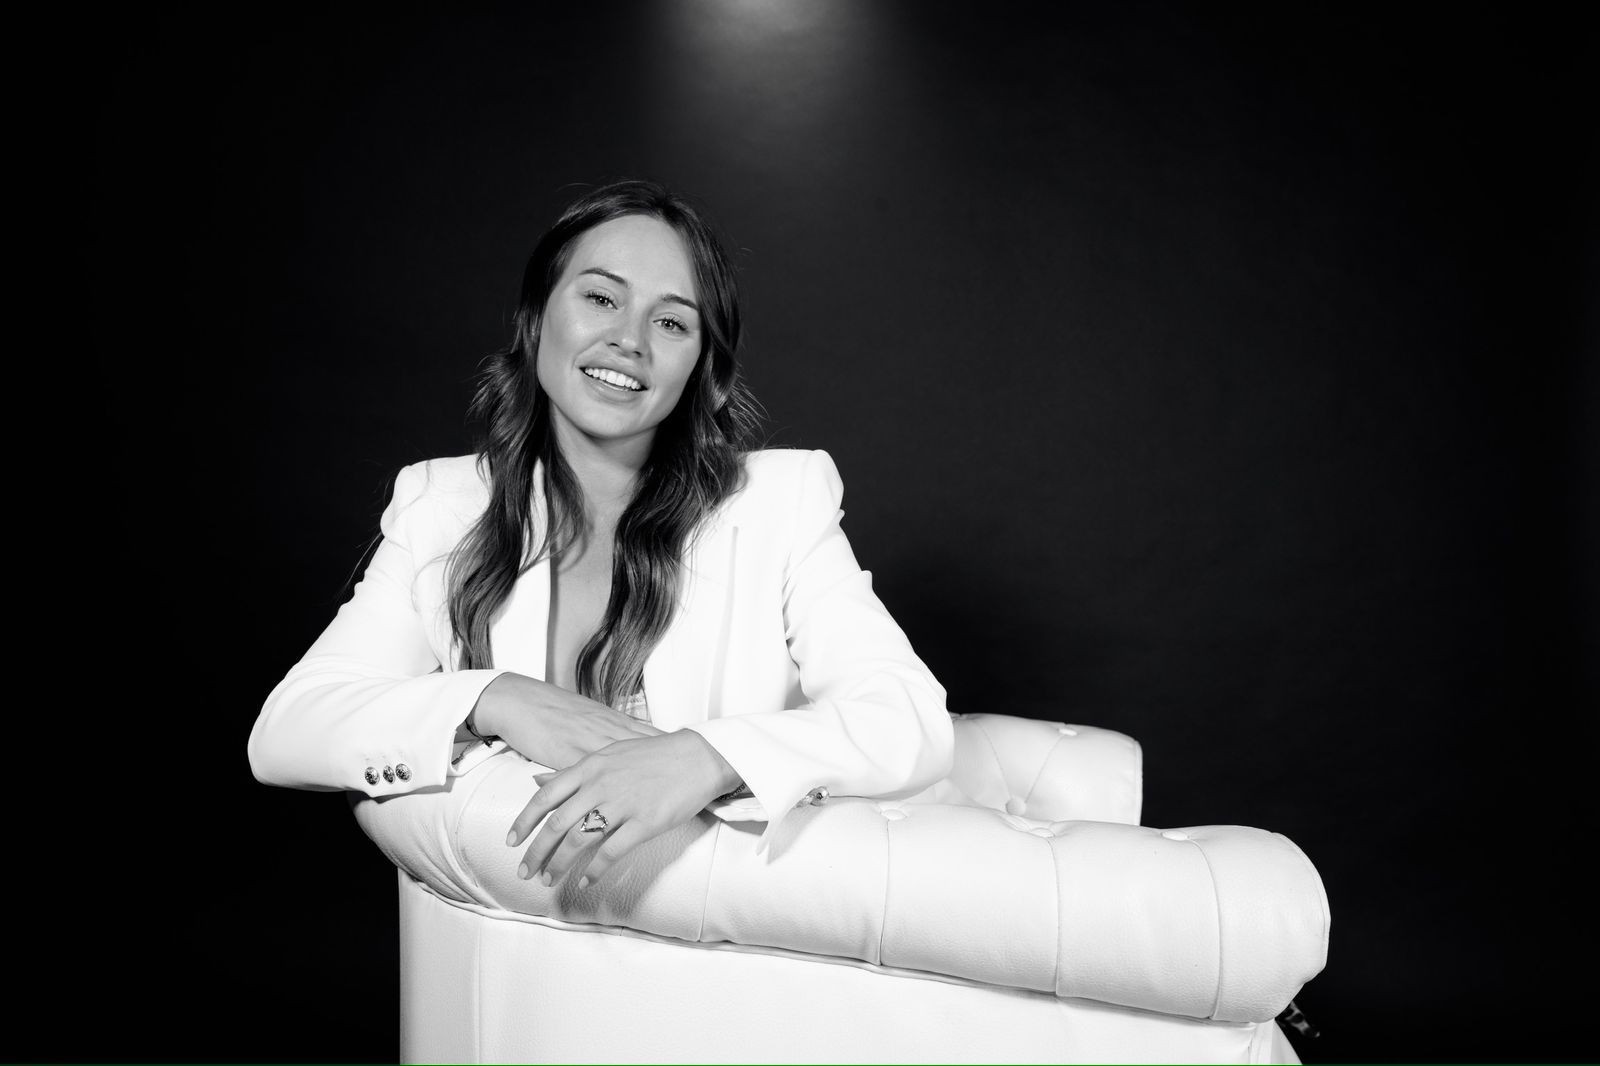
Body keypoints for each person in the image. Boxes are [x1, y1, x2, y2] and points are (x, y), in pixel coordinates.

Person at [248, 179, 953, 889]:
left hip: (732, 939)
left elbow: (908, 718)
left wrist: (704, 756)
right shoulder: (441, 504)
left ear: (704, 378)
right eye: (600, 297)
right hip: (535, 952)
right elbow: (289, 728)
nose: (628, 339)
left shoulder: (780, 501)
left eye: (672, 323)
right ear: (534, 321)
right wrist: (501, 699)